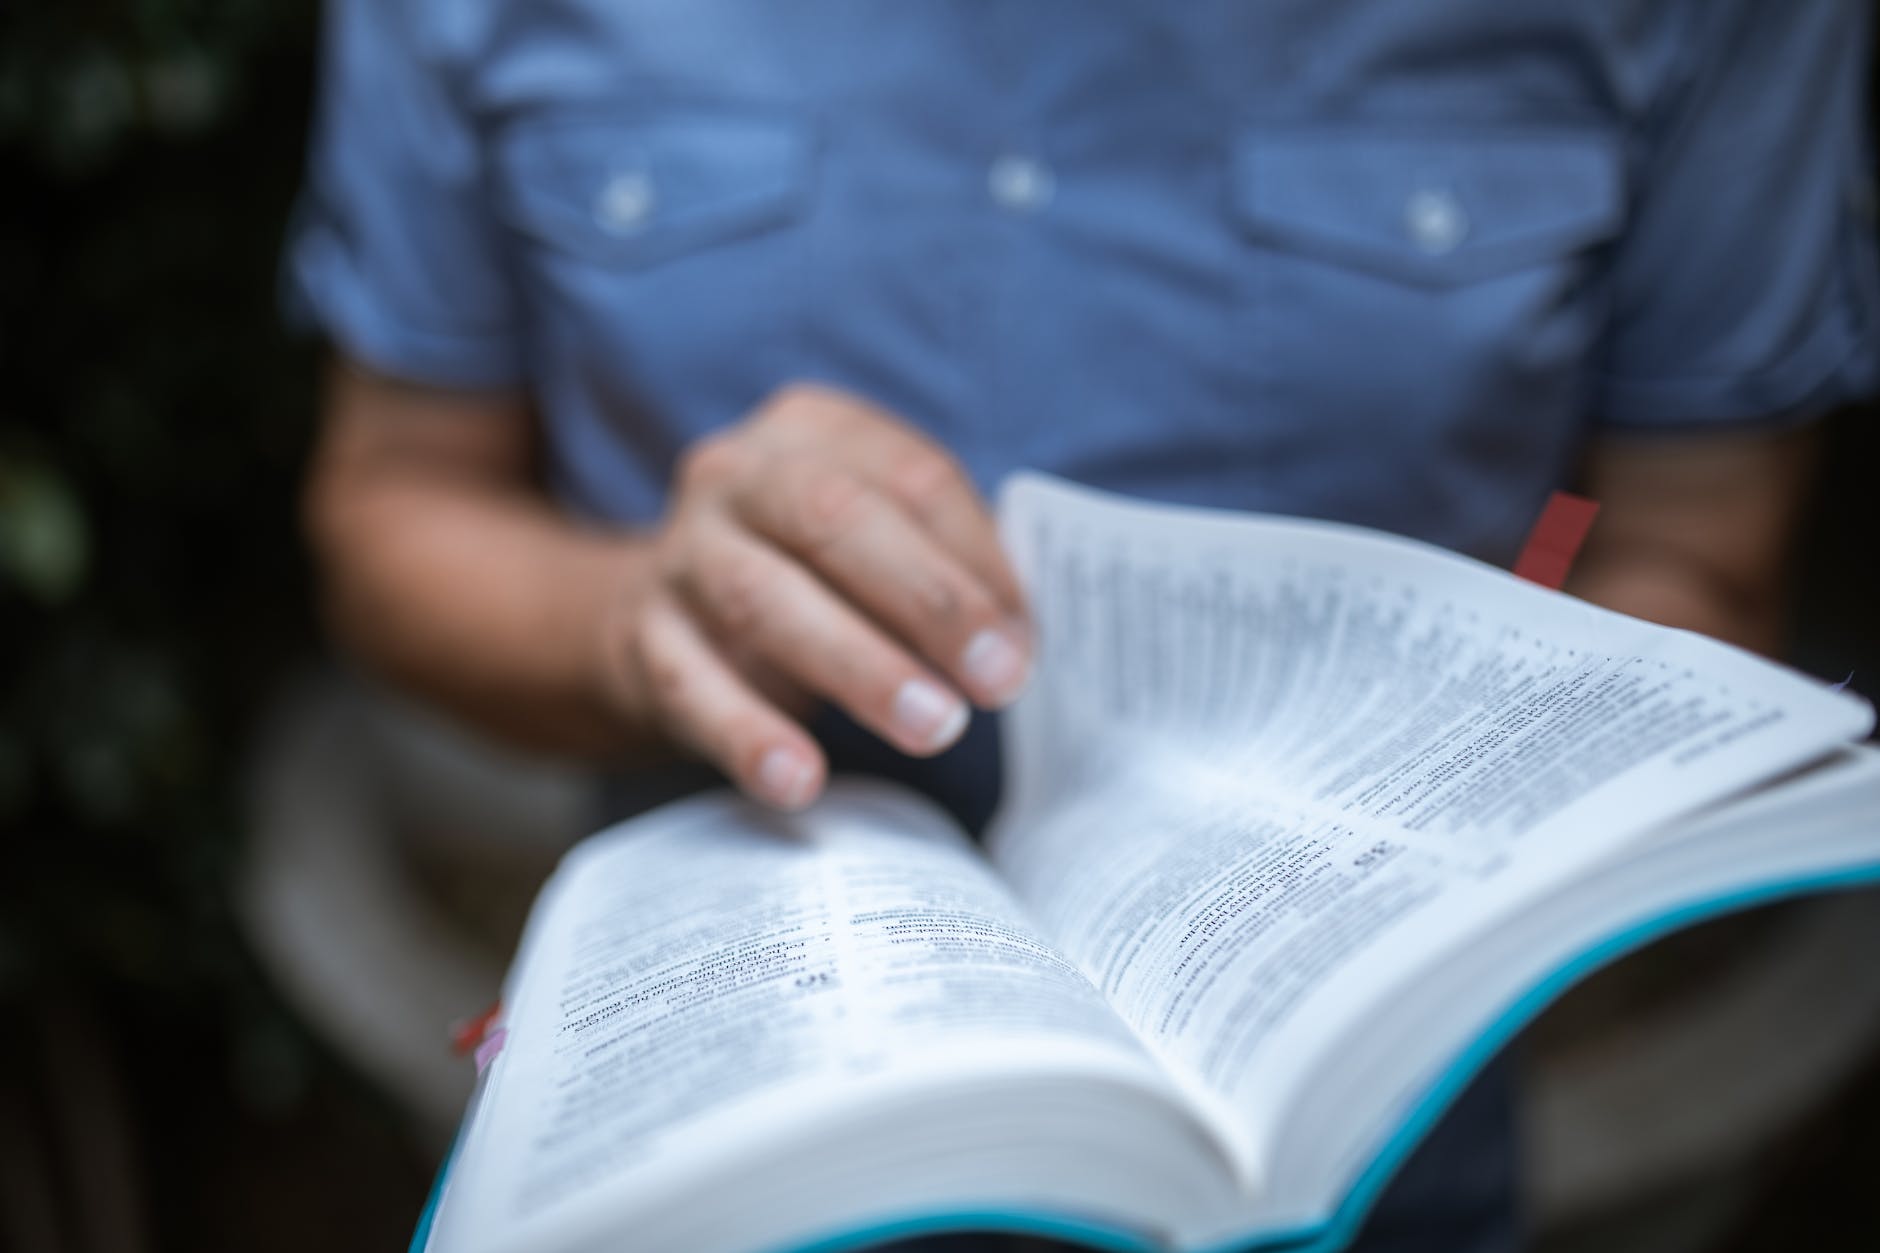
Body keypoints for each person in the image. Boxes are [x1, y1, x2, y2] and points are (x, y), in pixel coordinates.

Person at [287, 1, 1877, 1248]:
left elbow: (1679, 539)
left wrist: (1514, 693)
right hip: (721, 1148)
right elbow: (395, 499)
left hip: (1350, 1155)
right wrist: (636, 617)